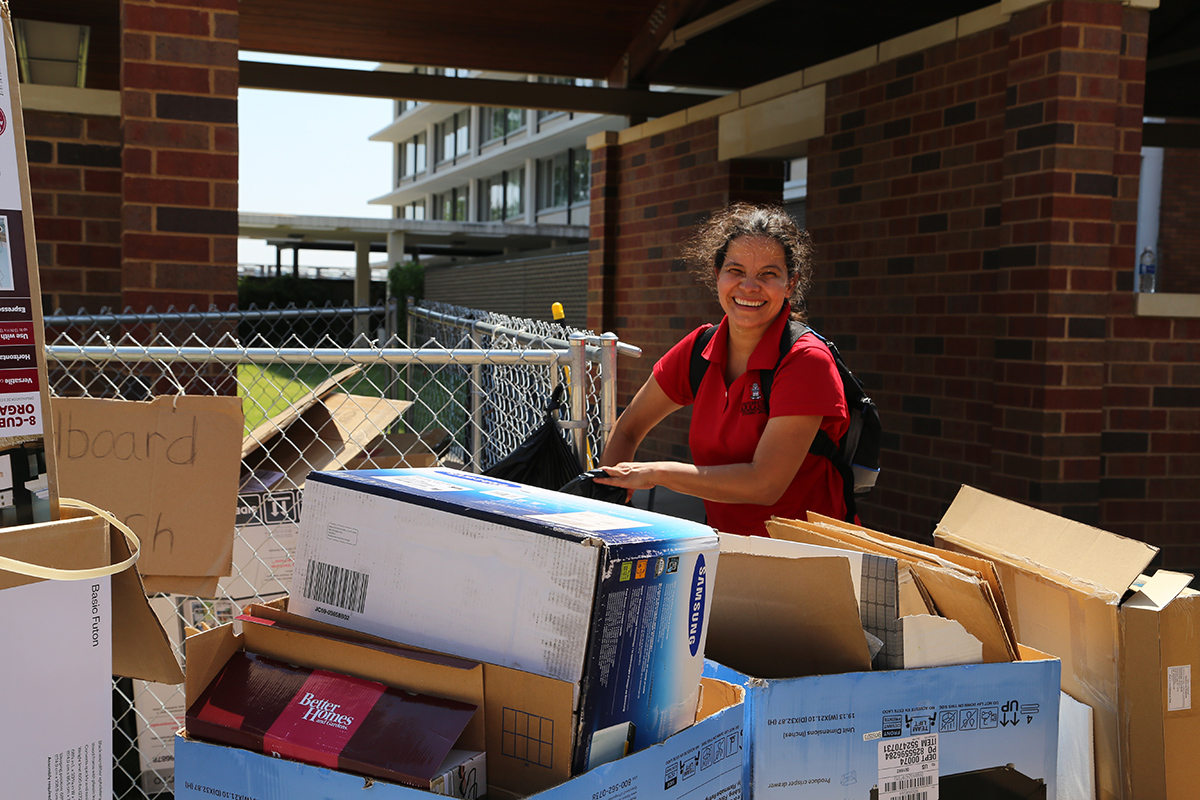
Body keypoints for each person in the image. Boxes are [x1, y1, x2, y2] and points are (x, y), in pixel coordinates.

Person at [594, 202, 849, 536]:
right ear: (717, 275)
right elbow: (628, 429)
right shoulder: (699, 348)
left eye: (768, 274)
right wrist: (607, 508)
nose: (749, 286)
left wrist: (657, 473)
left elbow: (764, 484)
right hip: (724, 551)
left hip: (807, 563)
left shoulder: (806, 361)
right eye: (736, 271)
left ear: (790, 285)